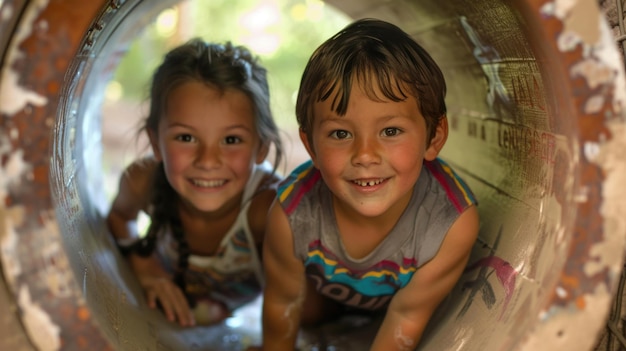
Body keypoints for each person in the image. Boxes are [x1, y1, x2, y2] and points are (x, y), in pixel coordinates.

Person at [258, 18, 479, 350]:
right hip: (324, 298)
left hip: (396, 308)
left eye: (390, 131)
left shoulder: (449, 223)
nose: (364, 155)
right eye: (341, 133)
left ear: (434, 137)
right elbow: (281, 305)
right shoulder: (292, 213)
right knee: (303, 311)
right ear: (311, 146)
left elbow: (407, 318)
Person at [106, 38, 284, 327]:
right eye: (186, 138)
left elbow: (296, 297)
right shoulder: (142, 181)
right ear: (155, 141)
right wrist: (146, 267)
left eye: (231, 140)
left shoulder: (267, 207)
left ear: (261, 147)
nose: (208, 160)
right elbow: (118, 217)